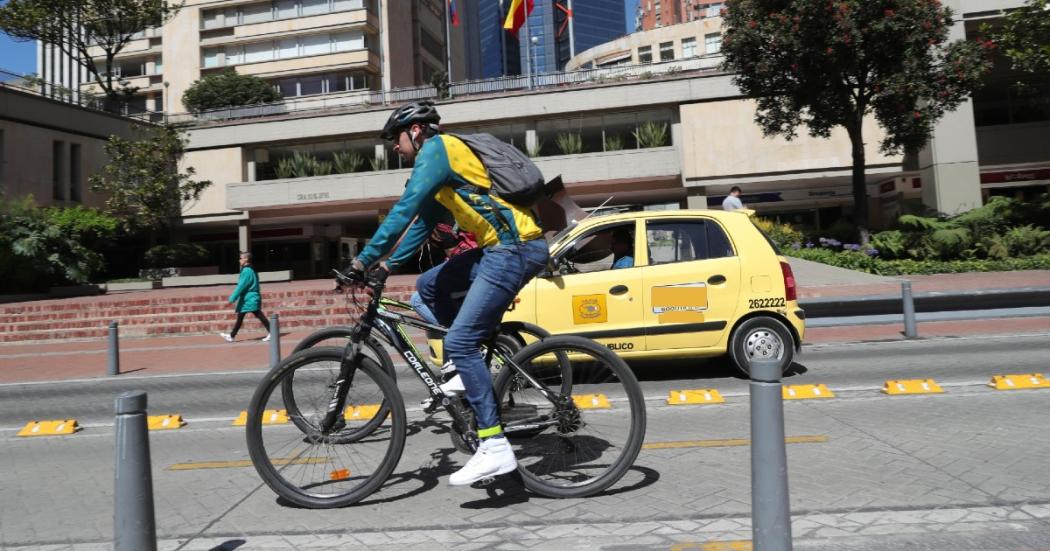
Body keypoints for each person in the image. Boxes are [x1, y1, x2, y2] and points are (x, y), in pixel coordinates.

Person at [342, 100, 549, 486]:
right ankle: (468, 359)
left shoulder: (436, 150)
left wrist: (363, 259)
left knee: (461, 340)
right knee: (428, 287)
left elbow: (404, 209)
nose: (394, 147)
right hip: (499, 249)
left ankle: (494, 447)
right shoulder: (445, 160)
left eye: (395, 138)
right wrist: (387, 265)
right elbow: (426, 221)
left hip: (514, 248)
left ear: (416, 130)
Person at [410, 222, 477, 327]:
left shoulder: (439, 220)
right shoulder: (446, 220)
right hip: (464, 264)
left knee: (417, 299)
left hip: (468, 268)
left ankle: (455, 331)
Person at [220, 252, 271, 342]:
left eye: (241, 258)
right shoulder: (250, 269)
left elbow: (240, 287)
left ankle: (272, 332)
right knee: (242, 316)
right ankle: (231, 336)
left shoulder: (246, 271)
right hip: (249, 298)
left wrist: (231, 300)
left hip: (250, 298)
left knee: (258, 314)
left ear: (246, 259)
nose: (239, 260)